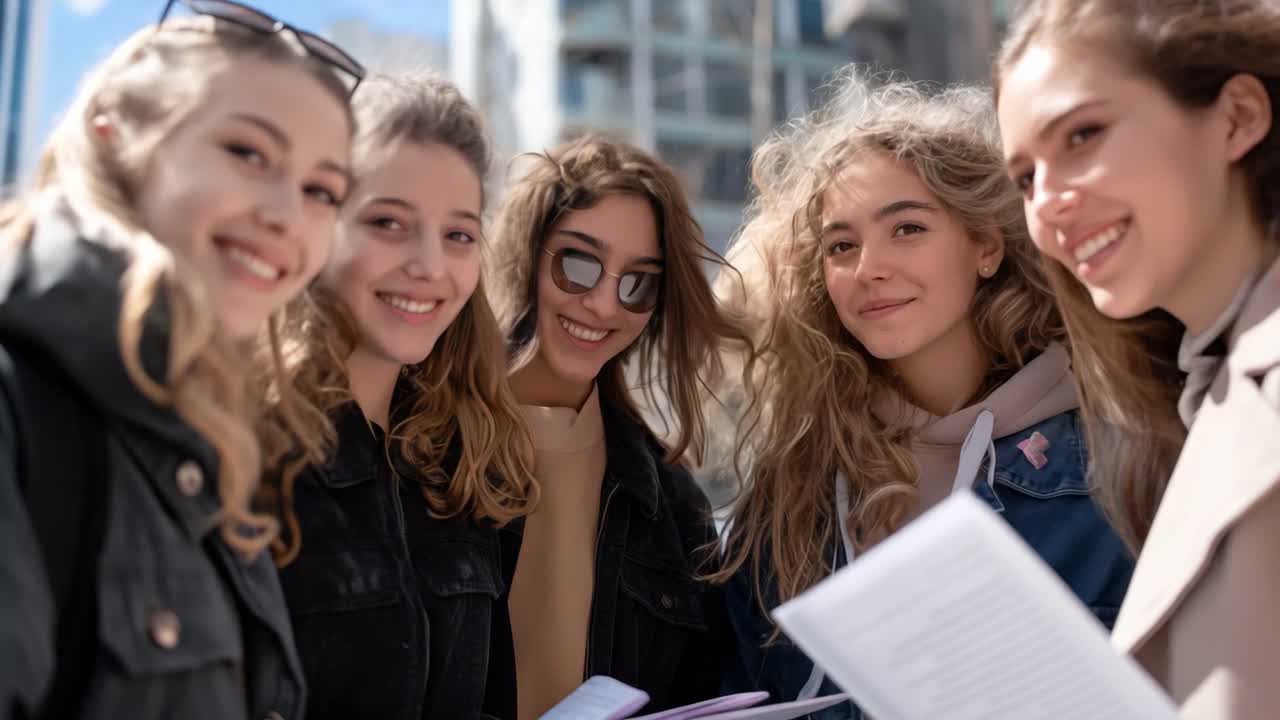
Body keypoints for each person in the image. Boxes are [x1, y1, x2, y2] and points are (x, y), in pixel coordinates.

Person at [714, 70, 1134, 719]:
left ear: (986, 245)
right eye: (841, 245)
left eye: (906, 228)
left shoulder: (1123, 460)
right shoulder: (789, 498)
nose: (868, 268)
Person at [0, 2, 361, 718]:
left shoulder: (203, 428)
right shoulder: (19, 399)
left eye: (323, 191)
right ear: (115, 142)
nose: (289, 215)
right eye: (249, 153)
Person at [996, 1, 1280, 716]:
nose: (1048, 203)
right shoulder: (1196, 401)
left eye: (1083, 134)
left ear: (1238, 116)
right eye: (1026, 177)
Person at [264, 72, 537, 719]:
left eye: (459, 235)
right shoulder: (247, 449)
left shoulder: (472, 467)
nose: (430, 266)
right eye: (389, 222)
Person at [482, 136, 750, 718]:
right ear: (529, 256)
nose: (605, 306)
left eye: (639, 282)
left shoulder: (672, 508)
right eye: (578, 264)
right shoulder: (425, 449)